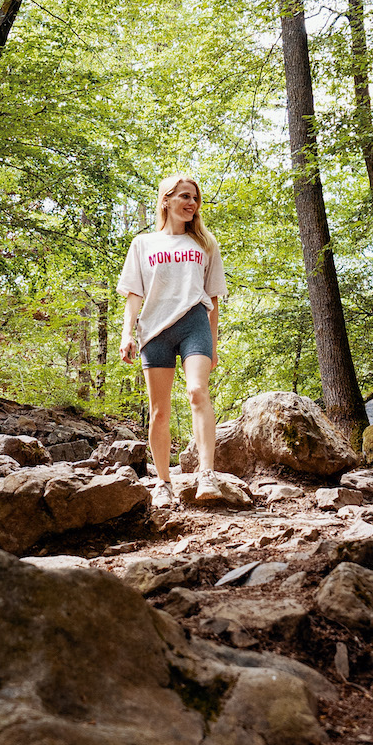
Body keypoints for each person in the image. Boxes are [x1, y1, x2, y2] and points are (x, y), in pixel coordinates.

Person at [118, 174, 227, 509]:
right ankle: (163, 483)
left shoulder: (205, 244)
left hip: (195, 323)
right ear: (166, 200)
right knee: (159, 412)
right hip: (154, 332)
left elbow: (214, 297)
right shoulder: (143, 244)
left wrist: (214, 343)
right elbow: (134, 295)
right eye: (184, 196)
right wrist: (126, 333)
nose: (191, 203)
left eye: (195, 198)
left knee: (197, 391)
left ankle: (207, 474)